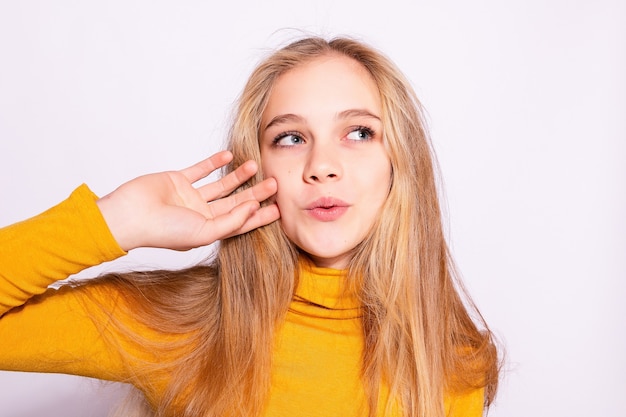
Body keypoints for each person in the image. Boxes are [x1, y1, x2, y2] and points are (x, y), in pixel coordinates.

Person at [0, 36, 500, 417]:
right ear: (256, 166)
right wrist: (113, 222)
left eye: (359, 132)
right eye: (289, 138)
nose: (321, 165)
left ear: (400, 163)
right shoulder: (178, 329)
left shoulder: (453, 364)